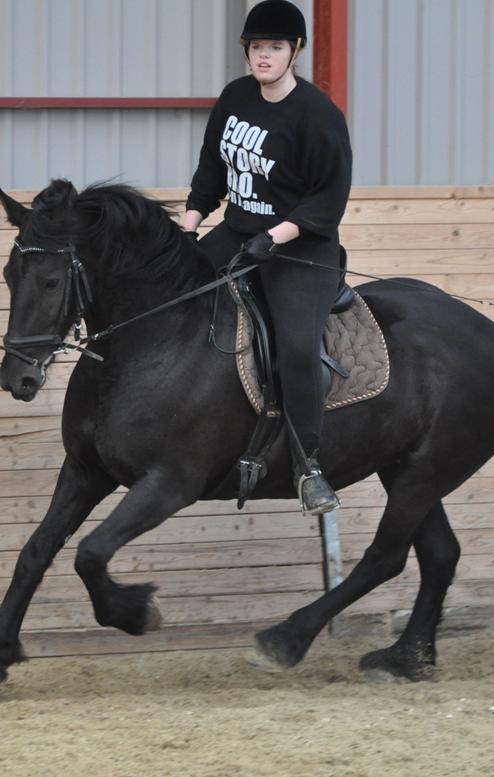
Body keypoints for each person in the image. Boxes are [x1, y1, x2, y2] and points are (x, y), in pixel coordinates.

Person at [180, 0, 353, 516]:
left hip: (302, 249)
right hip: (237, 232)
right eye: (257, 47)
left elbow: (329, 197)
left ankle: (308, 466)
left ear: (294, 51)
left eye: (275, 47)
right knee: (174, 291)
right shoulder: (235, 98)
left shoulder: (319, 116)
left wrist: (276, 236)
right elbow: (212, 167)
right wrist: (189, 226)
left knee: (296, 349)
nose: (264, 56)